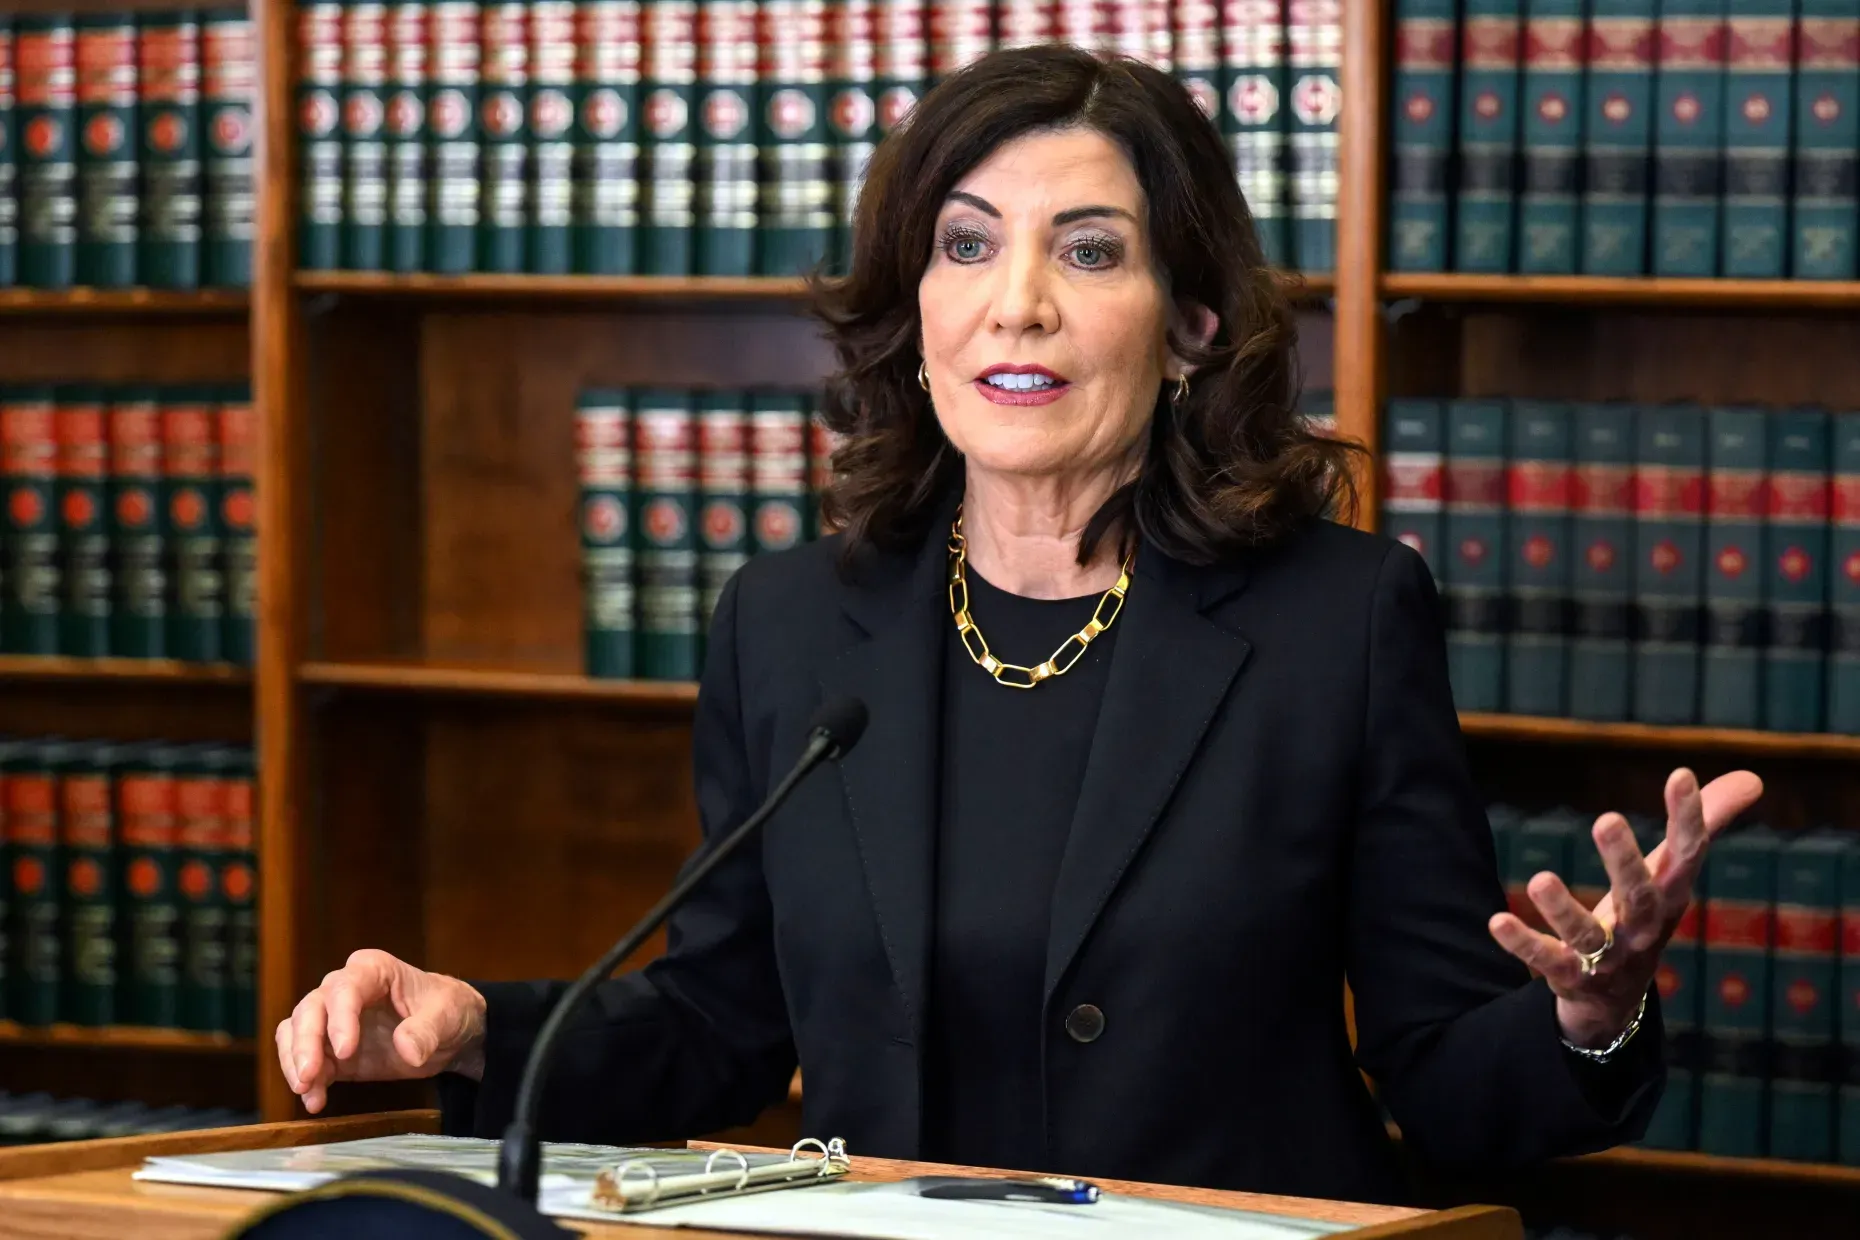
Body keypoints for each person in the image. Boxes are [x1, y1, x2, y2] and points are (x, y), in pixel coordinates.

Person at [276, 46, 1763, 1205]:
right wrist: (472, 1026)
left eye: (1092, 250)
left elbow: (1443, 1077)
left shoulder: (1340, 622)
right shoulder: (791, 628)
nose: (1019, 305)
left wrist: (1589, 1014)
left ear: (1189, 328)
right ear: (912, 309)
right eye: (969, 245)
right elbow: (721, 1025)